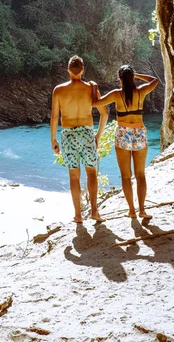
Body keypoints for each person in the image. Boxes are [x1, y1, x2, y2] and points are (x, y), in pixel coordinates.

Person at [92, 65, 159, 219]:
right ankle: (142, 210)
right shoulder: (141, 91)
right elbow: (155, 80)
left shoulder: (116, 94)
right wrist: (137, 75)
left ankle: (132, 211)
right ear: (132, 78)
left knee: (126, 176)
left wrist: (94, 88)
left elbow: (96, 103)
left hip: (122, 133)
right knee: (140, 175)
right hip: (139, 132)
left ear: (120, 79)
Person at [50, 55, 108, 223]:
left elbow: (54, 118)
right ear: (82, 70)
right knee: (92, 173)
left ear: (68, 70)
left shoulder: (59, 90)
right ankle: (95, 212)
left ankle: (77, 215)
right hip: (87, 134)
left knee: (74, 176)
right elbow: (104, 114)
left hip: (68, 135)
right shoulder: (91, 88)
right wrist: (97, 136)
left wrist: (53, 140)